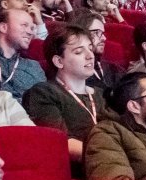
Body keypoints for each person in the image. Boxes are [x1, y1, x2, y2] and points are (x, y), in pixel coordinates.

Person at [21, 26, 102, 159]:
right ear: (59, 61)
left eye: (90, 48)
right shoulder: (43, 93)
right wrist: (106, 155)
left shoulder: (102, 94)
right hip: (78, 169)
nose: (90, 56)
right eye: (79, 52)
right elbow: (59, 141)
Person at [0, 8, 45, 100]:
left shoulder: (33, 67)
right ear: (4, 27)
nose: (30, 32)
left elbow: (42, 102)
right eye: (24, 25)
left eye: (32, 28)